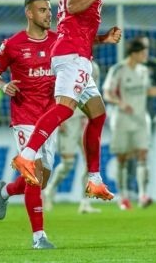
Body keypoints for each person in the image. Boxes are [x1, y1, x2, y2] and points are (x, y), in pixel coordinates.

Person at [11, 0, 121, 204]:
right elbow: (72, 6)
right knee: (64, 108)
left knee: (97, 114)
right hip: (72, 56)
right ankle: (26, 157)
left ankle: (94, 180)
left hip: (77, 52)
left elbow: (71, 25)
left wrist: (102, 38)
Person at [0, 0, 59, 249]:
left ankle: (5, 191)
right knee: (34, 175)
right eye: (42, 10)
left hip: (51, 118)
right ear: (29, 14)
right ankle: (38, 237)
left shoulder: (57, 41)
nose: (48, 14)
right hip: (25, 118)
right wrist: (3, 85)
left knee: (42, 180)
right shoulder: (13, 44)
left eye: (49, 10)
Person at [103, 38, 156, 210]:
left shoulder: (144, 71)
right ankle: (123, 197)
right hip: (122, 119)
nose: (146, 56)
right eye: (143, 53)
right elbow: (107, 93)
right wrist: (121, 104)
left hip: (142, 119)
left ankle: (143, 195)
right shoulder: (118, 69)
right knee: (122, 158)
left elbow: (148, 91)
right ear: (134, 54)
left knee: (143, 155)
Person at [42, 61, 103, 215]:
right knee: (68, 163)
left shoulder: (94, 68)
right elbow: (52, 92)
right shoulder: (65, 65)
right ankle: (49, 191)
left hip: (85, 119)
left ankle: (85, 202)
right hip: (68, 119)